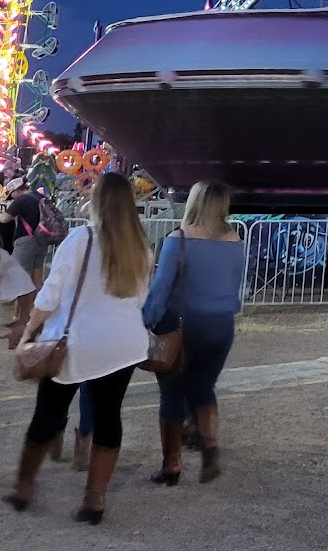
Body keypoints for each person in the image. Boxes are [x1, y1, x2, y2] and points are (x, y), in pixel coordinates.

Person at [3, 173, 153, 524]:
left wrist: (29, 330)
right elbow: (141, 299)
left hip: (77, 344)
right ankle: (95, 499)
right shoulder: (141, 246)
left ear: (98, 201)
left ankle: (24, 487)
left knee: (48, 413)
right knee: (108, 417)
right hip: (125, 344)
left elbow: (51, 293)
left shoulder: (82, 237)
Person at [142, 181, 244, 486]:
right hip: (221, 325)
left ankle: (171, 464)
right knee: (203, 386)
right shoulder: (234, 239)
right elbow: (235, 282)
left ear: (194, 202)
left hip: (182, 324)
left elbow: (160, 292)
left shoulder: (179, 240)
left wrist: (145, 320)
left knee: (171, 393)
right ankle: (209, 444)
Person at [4, 178, 46, 340]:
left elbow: (5, 218)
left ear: (16, 190)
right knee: (37, 280)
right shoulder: (38, 196)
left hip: (25, 242)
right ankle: (38, 316)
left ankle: (23, 319)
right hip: (42, 240)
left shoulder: (22, 200)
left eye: (11, 194)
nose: (12, 198)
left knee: (21, 280)